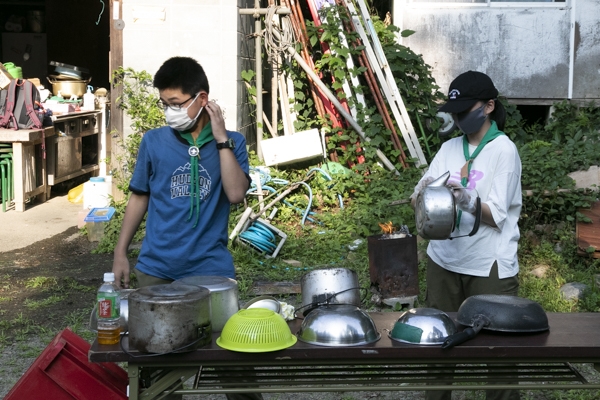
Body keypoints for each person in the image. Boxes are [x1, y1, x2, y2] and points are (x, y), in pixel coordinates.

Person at [112, 56, 261, 400]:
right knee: (160, 371)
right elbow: (139, 197)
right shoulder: (153, 142)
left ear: (201, 99)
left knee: (234, 362)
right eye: (164, 104)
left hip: (210, 269)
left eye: (176, 103)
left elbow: (236, 193)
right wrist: (121, 252)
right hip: (157, 269)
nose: (169, 111)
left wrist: (221, 139)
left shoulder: (233, 142)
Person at [411, 71, 522, 400]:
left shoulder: (504, 151)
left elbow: (497, 216)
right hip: (444, 260)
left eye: (464, 110)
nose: (459, 118)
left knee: (499, 356)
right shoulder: (448, 149)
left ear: (488, 107)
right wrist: (421, 192)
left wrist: (466, 199)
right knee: (439, 347)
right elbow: (426, 193)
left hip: (488, 265)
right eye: (455, 112)